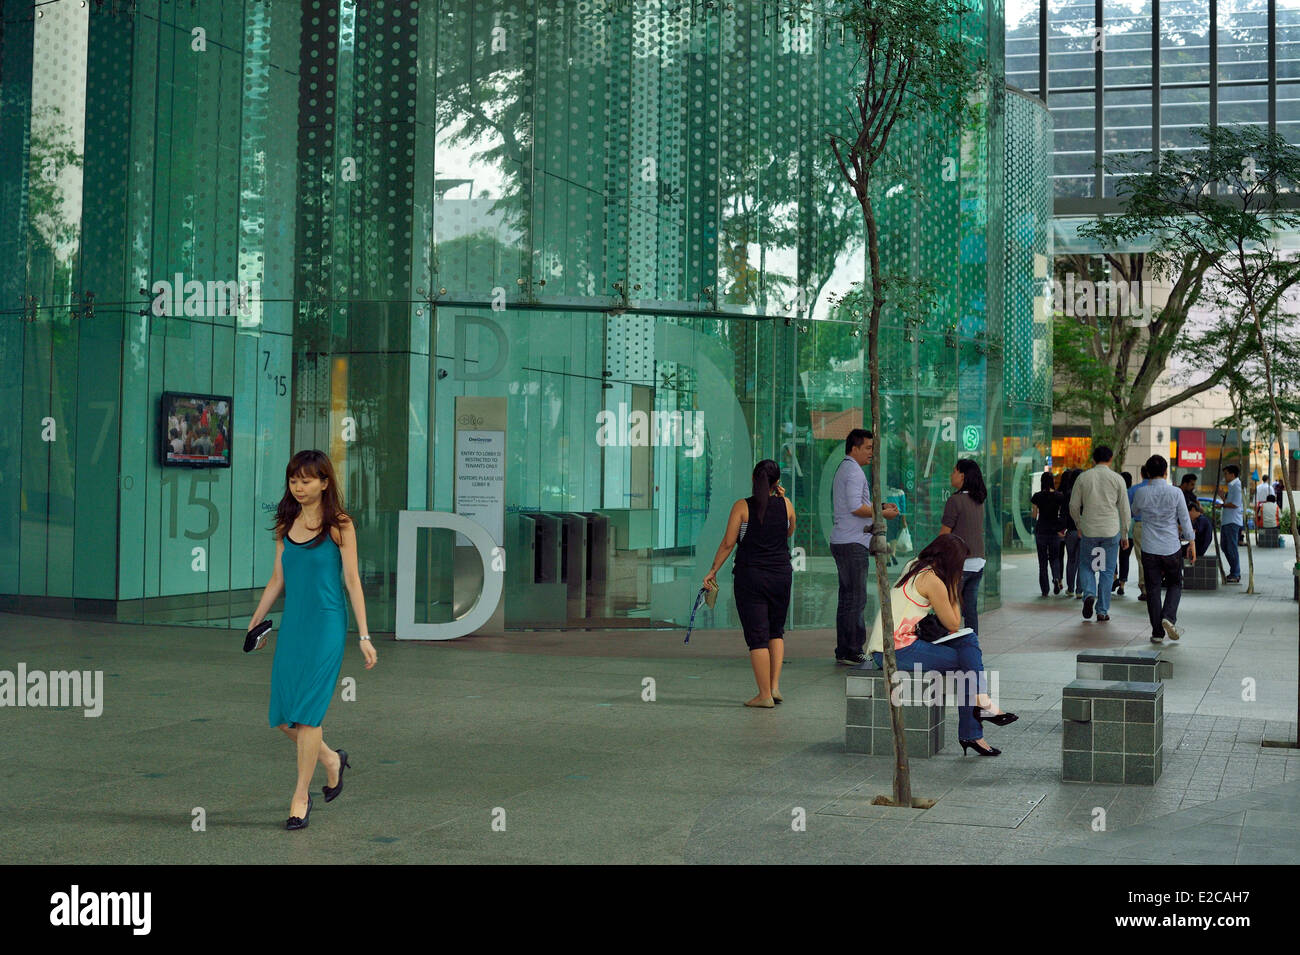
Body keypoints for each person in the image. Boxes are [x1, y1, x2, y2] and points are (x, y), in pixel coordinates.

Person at [248, 450, 377, 831]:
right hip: (296, 626)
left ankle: (301, 796)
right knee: (283, 716)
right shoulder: (285, 523)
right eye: (293, 480)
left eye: (306, 480)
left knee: (307, 713)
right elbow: (277, 579)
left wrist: (365, 637)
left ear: (324, 482)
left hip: (327, 626)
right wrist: (256, 620)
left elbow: (353, 582)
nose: (299, 487)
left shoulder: (339, 525)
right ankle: (332, 760)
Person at [867, 535, 1017, 756]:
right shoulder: (933, 580)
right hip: (894, 651)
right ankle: (975, 723)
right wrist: (954, 583)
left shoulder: (915, 565)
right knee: (967, 661)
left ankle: (978, 718)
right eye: (960, 563)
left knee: (969, 641)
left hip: (892, 644)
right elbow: (954, 623)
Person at [703, 460, 796, 707]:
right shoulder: (786, 505)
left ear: (754, 479)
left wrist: (713, 570)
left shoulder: (742, 507)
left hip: (751, 576)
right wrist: (781, 498)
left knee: (757, 636)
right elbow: (788, 531)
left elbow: (728, 543)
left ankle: (764, 695)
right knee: (776, 631)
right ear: (777, 483)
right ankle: (774, 687)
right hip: (781, 575)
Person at [830, 429, 898, 665]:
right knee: (856, 598)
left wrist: (879, 506)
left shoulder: (846, 469)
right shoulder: (854, 472)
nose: (872, 453)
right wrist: (882, 512)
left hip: (845, 540)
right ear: (855, 448)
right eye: (868, 448)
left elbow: (858, 504)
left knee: (848, 597)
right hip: (852, 542)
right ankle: (852, 649)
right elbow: (855, 508)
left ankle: (844, 649)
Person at [1131, 454, 1194, 643]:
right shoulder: (1175, 493)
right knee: (1175, 583)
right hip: (1171, 546)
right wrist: (1191, 541)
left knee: (1153, 589)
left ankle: (1157, 632)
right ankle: (1169, 616)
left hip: (1150, 547)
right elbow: (1185, 519)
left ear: (1148, 473)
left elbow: (1134, 512)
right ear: (1166, 472)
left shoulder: (1141, 493)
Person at [1068, 446, 1131, 623]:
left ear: (1093, 459)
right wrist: (1125, 534)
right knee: (1107, 570)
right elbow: (1125, 509)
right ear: (1110, 459)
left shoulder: (1083, 477)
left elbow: (1073, 505)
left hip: (1089, 530)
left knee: (1087, 565)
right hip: (1111, 531)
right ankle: (1102, 611)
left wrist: (1079, 524)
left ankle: (1089, 593)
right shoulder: (1117, 479)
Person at [939, 459, 988, 635]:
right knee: (970, 609)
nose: (951, 475)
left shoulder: (955, 500)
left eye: (954, 471)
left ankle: (948, 645)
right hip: (978, 562)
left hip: (960, 563)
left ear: (963, 476)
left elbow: (944, 534)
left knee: (949, 607)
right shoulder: (979, 500)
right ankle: (972, 644)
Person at [1030, 472, 1066, 596]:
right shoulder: (1059, 496)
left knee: (1042, 561)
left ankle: (1045, 590)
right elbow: (1062, 513)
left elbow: (1034, 515)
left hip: (1041, 530)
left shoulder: (1037, 496)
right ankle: (1056, 578)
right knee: (1055, 558)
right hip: (1054, 531)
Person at [1058, 468, 1083, 597]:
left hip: (1071, 531)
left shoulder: (1068, 494)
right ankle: (1080, 590)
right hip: (1084, 531)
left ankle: (1070, 588)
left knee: (1071, 560)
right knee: (1082, 561)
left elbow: (1063, 514)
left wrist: (1061, 529)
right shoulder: (1087, 494)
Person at [1128, 466, 1150, 600]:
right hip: (1159, 527)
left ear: (1141, 474)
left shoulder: (1134, 490)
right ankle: (1154, 586)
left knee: (1142, 558)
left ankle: (1145, 588)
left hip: (1140, 525)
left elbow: (1130, 511)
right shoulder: (1167, 490)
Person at [1221, 464, 1244, 583]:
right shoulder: (1231, 487)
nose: (1224, 476)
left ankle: (1235, 573)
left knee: (1231, 547)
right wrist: (1223, 498)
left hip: (1232, 521)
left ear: (1232, 474)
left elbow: (1235, 504)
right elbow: (1231, 502)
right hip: (1227, 520)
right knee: (1225, 546)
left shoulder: (1237, 486)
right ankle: (1234, 571)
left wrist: (1222, 505)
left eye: (1226, 474)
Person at [1115, 471, 1134, 597]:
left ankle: (1114, 577)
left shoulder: (1118, 493)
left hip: (1115, 528)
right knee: (1125, 557)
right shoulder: (1134, 493)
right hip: (1130, 529)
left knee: (1111, 554)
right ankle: (1122, 584)